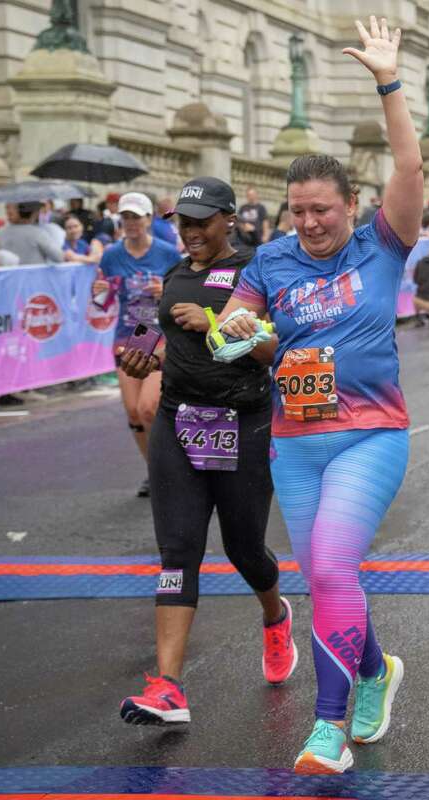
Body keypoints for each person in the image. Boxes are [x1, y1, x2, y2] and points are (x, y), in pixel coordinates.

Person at [218, 17, 423, 775]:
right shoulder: (271, 259)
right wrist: (236, 330)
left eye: (322, 211)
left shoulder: (384, 241)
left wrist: (388, 81)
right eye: (297, 211)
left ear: (350, 204)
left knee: (334, 567)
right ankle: (374, 671)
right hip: (295, 443)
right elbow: (238, 321)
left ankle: (328, 727)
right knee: (325, 577)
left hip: (372, 433)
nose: (308, 223)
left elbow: (409, 164)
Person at [115, 176, 296, 726]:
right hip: (179, 419)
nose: (191, 231)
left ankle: (274, 614)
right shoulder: (173, 275)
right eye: (183, 222)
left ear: (229, 220)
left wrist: (217, 320)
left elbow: (275, 351)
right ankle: (168, 686)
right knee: (178, 549)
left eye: (201, 221)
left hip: (242, 423)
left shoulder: (254, 271)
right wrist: (143, 356)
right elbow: (153, 330)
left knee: (244, 548)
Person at [92, 192, 182, 497]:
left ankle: (168, 466)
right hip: (129, 336)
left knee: (148, 407)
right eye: (125, 217)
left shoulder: (168, 254)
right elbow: (101, 305)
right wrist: (99, 292)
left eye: (136, 217)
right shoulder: (111, 255)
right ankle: (153, 471)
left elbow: (183, 296)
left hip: (159, 335)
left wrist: (165, 294)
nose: (131, 223)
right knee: (133, 411)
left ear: (148, 219)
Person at [0, 201, 65, 265]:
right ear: (33, 213)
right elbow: (58, 257)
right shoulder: (37, 233)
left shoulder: (1, 231)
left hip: (11, 276)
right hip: (34, 276)